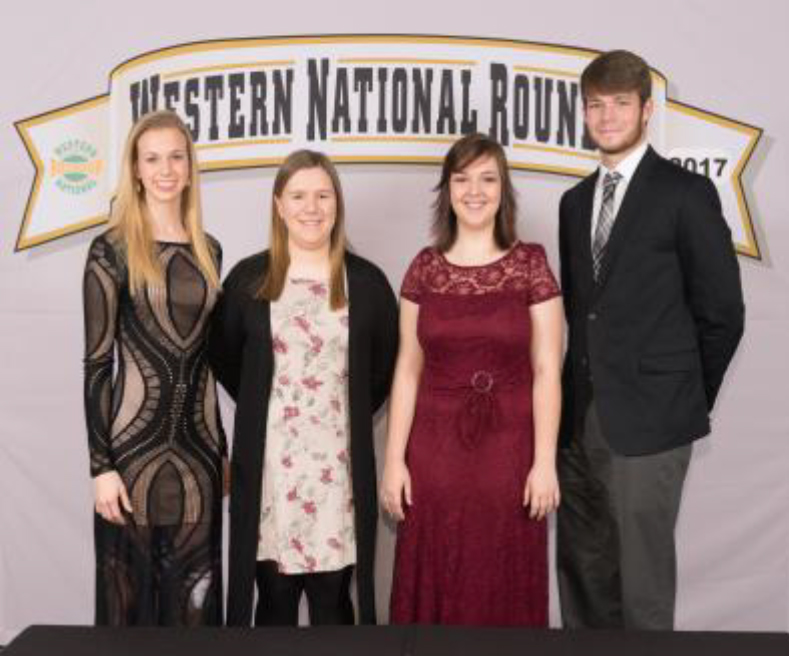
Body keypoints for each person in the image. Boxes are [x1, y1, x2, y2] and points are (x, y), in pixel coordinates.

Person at [556, 50, 745, 630]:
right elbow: (582, 314)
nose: (606, 116)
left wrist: (682, 397)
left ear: (646, 109)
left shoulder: (686, 194)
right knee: (583, 576)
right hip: (580, 419)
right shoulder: (574, 203)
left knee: (642, 589)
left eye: (619, 103)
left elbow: (722, 313)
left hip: (654, 421)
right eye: (595, 104)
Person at [210, 150, 398, 626]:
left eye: (322, 195)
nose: (311, 208)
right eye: (298, 196)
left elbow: (382, 370)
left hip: (337, 479)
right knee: (272, 602)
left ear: (337, 203)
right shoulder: (248, 281)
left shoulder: (367, 283)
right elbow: (229, 360)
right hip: (271, 476)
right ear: (278, 205)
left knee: (334, 605)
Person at [382, 132, 563, 626]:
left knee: (501, 574)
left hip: (510, 454)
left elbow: (548, 369)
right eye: (462, 179)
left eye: (488, 179)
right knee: (438, 572)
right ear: (447, 190)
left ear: (504, 189)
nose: (475, 191)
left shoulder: (532, 265)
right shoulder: (424, 269)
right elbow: (407, 368)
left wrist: (544, 461)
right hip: (434, 457)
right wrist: (394, 461)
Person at [83, 110, 226, 625]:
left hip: (200, 456)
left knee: (197, 602)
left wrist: (222, 451)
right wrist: (101, 467)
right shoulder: (111, 250)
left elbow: (207, 361)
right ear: (136, 170)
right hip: (132, 455)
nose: (165, 169)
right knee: (131, 604)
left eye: (175, 156)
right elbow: (98, 363)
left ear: (189, 167)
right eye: (152, 159)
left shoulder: (210, 251)